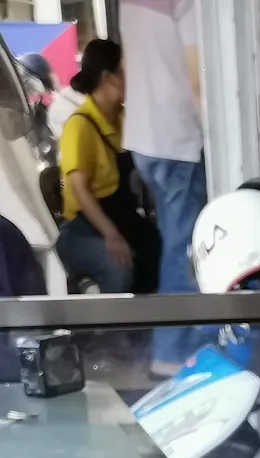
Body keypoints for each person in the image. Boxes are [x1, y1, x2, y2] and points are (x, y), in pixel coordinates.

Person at [121, 0, 206, 374]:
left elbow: (127, 65)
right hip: (177, 140)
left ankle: (177, 346)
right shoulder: (190, 3)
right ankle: (171, 354)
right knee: (186, 252)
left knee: (176, 244)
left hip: (145, 140)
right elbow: (196, 80)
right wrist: (219, 137)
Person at [55, 39, 160, 295]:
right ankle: (111, 333)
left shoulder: (124, 118)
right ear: (108, 77)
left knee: (157, 250)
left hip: (121, 214)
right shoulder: (79, 126)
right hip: (82, 227)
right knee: (119, 266)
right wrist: (111, 235)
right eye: (126, 72)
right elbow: (79, 190)